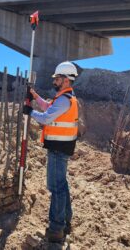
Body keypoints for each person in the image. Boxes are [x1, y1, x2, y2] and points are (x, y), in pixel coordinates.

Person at [23, 61, 79, 243]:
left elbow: (46, 118)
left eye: (57, 78)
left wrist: (29, 111)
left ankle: (56, 229)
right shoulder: (64, 98)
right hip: (60, 147)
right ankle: (66, 219)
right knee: (62, 185)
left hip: (58, 149)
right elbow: (48, 107)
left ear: (66, 80)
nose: (54, 80)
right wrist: (35, 96)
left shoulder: (64, 100)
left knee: (56, 188)